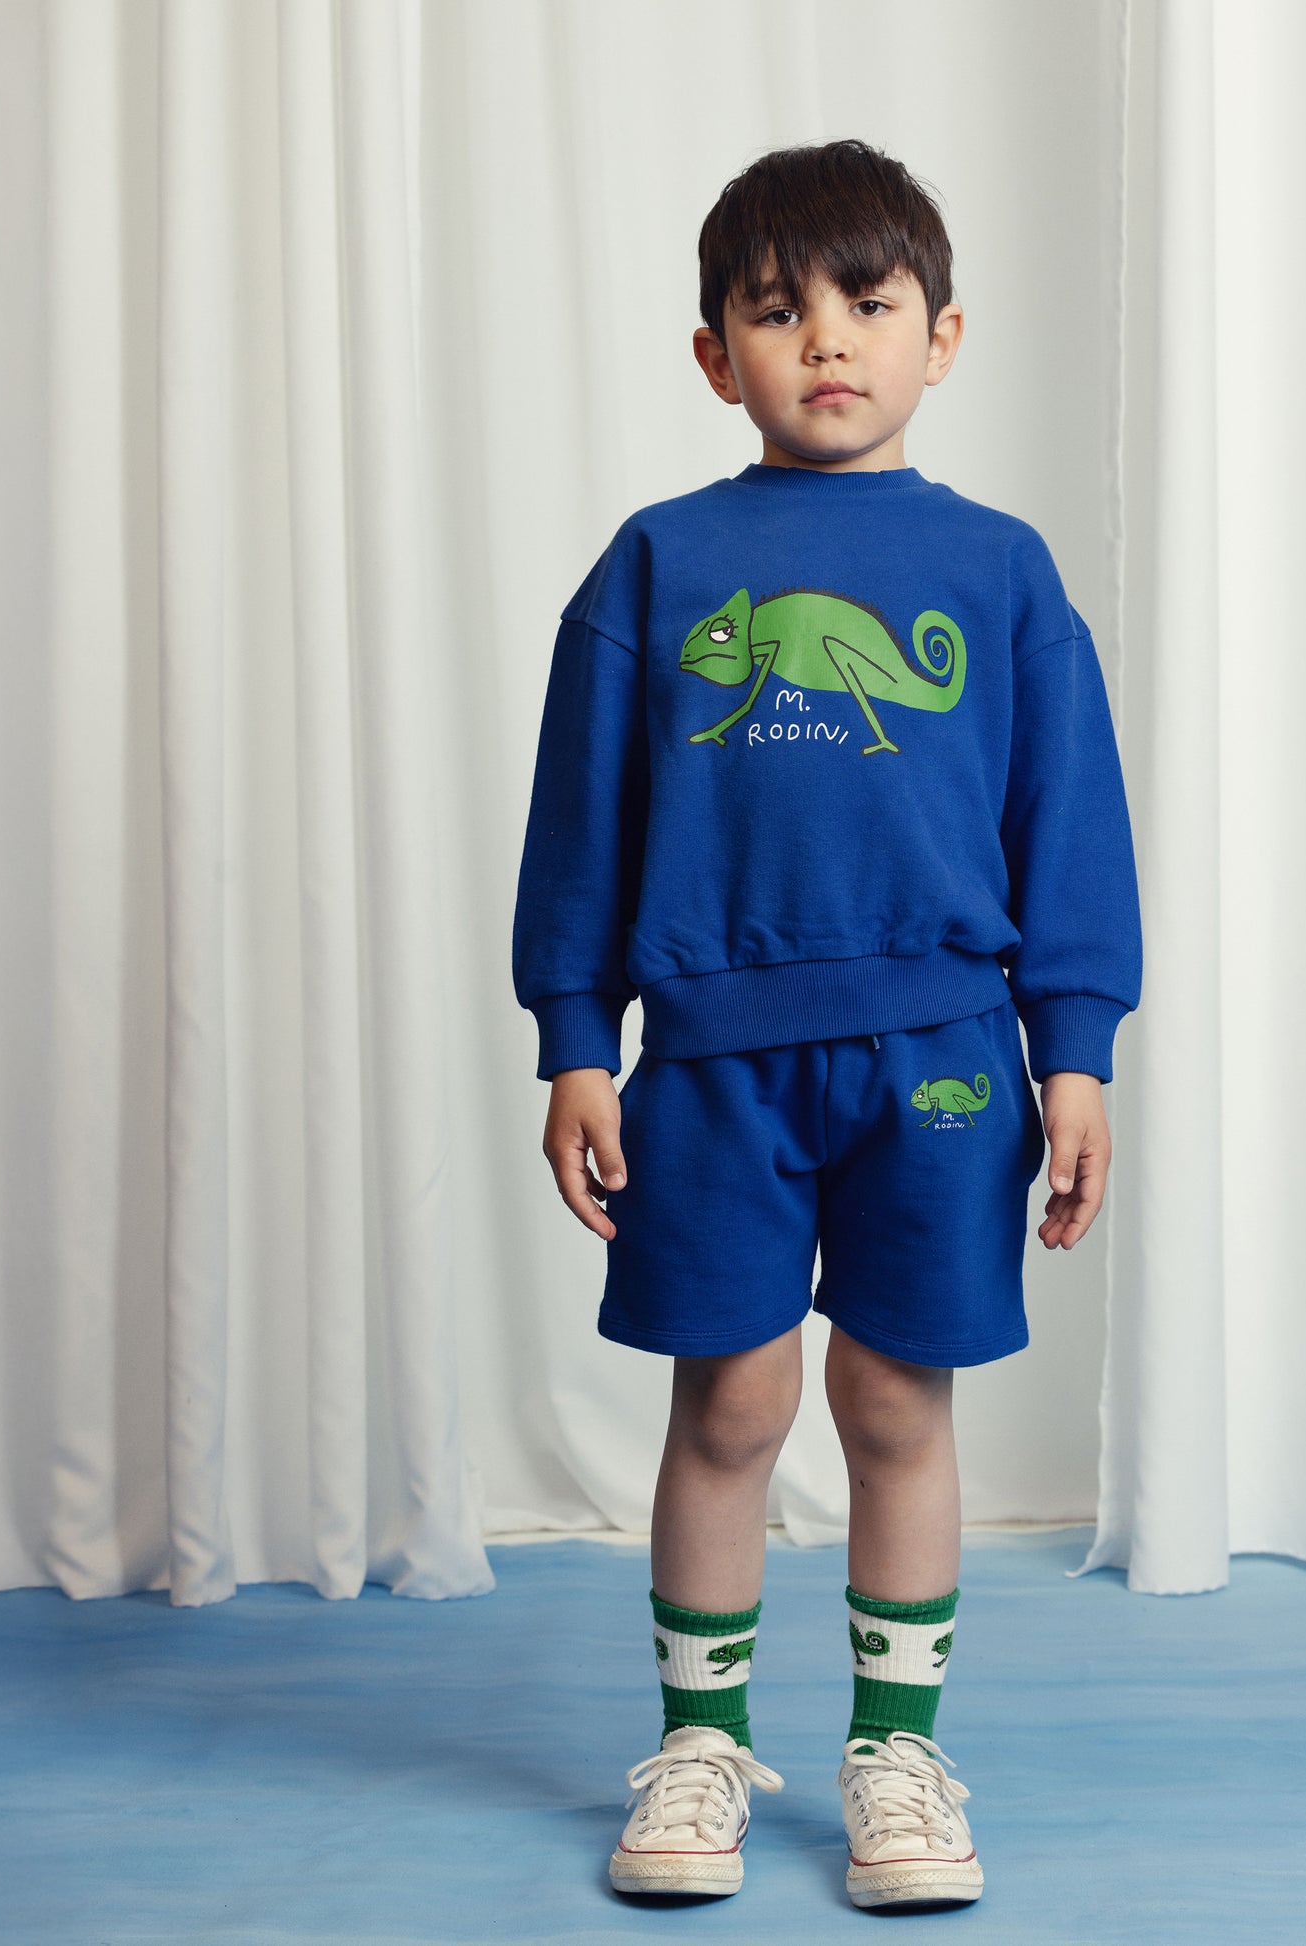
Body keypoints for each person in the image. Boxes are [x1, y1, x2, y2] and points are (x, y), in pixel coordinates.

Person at [510, 137, 1142, 1910]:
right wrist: (574, 1032)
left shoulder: (1002, 574)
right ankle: (702, 1745)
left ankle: (895, 1749)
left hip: (942, 1050)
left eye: (869, 305)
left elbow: (1068, 827)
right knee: (726, 1399)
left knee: (892, 1397)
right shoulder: (656, 563)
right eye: (777, 312)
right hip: (711, 1056)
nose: (829, 342)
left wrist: (1072, 1050)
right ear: (717, 353)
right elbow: (583, 823)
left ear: (943, 334)